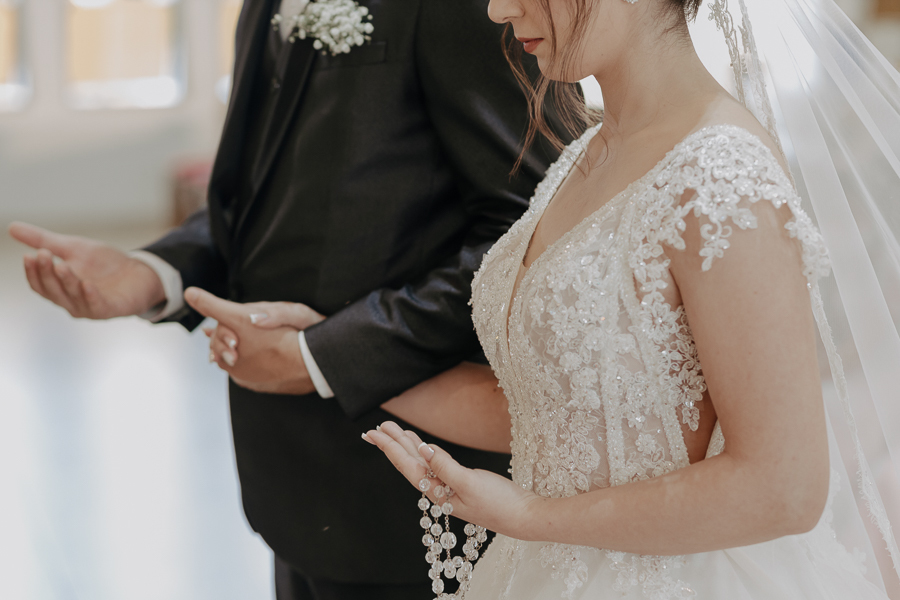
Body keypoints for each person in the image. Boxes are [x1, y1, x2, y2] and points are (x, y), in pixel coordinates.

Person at [7, 0, 571, 597]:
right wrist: (155, 272)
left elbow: (536, 229)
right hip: (291, 479)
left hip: (415, 487)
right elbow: (261, 192)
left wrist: (324, 355)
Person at [362, 0, 900, 596]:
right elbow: (561, 406)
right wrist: (332, 360)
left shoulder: (718, 174)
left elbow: (785, 488)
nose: (497, 9)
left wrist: (529, 517)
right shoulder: (580, 156)